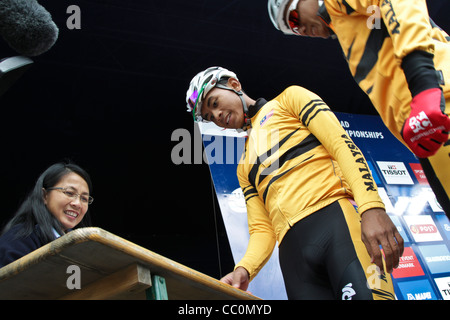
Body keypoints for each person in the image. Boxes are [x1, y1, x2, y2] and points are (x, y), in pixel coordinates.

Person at [185, 66, 403, 299]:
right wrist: (244, 268)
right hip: (293, 260)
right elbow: (262, 229)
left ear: (234, 85)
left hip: (336, 224)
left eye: (215, 103)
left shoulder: (290, 99)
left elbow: (342, 146)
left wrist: (372, 207)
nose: (216, 116)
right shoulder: (243, 167)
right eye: (209, 116)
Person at [267, 0, 450, 216]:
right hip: (427, 125)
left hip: (437, 101)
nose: (301, 31)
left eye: (293, 19)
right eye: (294, 31)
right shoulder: (354, 23)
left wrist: (423, 85)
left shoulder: (337, 3)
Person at [0, 162, 94, 268]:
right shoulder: (18, 240)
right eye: (69, 193)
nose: (77, 203)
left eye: (84, 199)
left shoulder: (81, 247)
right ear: (44, 195)